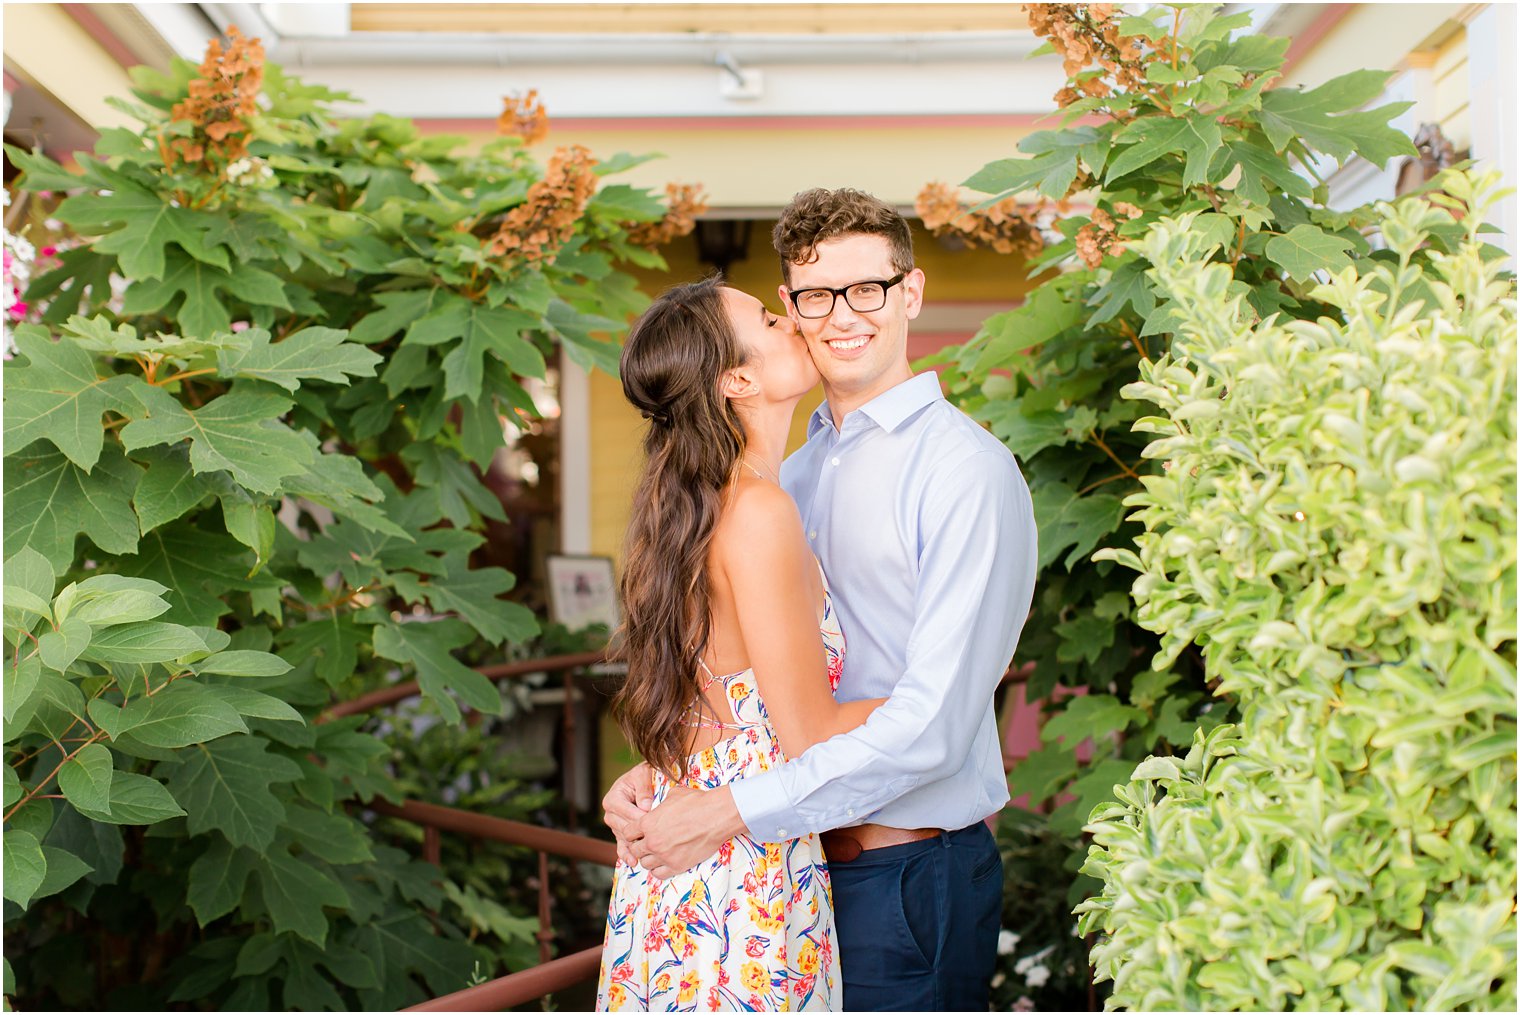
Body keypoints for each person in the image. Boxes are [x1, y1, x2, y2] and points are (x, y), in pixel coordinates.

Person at [606, 188, 1038, 1010]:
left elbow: (936, 726)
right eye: (810, 297)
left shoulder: (965, 472)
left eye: (867, 289)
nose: (841, 314)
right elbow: (750, 686)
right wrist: (670, 771)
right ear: (791, 309)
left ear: (909, 292)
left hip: (897, 875)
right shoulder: (780, 478)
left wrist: (731, 805)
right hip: (777, 871)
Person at [595, 275, 890, 1011]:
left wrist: (647, 769)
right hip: (740, 872)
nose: (794, 319)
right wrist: (955, 684)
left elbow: (720, 697)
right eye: (769, 316)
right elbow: (807, 732)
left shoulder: (705, 501)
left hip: (690, 846)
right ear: (737, 377)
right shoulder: (757, 509)